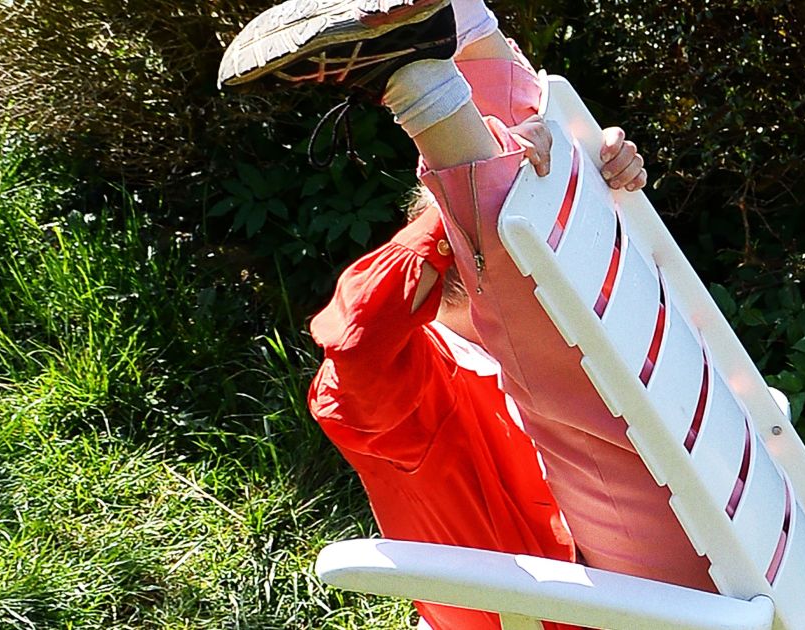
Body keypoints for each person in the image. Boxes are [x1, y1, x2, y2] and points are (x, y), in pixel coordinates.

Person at [220, 1, 716, 625]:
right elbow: (355, 343)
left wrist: (592, 181)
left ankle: (455, 37)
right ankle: (444, 67)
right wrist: (456, 211)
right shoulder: (413, 382)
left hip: (664, 586)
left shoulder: (568, 334)